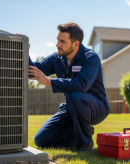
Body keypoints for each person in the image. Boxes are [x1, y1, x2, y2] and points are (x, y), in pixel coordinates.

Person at [28, 22, 110, 152]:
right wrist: (22, 51)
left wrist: (49, 81)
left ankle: (84, 143)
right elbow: (32, 71)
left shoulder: (90, 58)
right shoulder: (57, 58)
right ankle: (81, 134)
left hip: (97, 107)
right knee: (41, 140)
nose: (57, 45)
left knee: (75, 95)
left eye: (62, 41)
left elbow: (81, 85)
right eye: (57, 40)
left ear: (76, 43)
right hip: (71, 107)